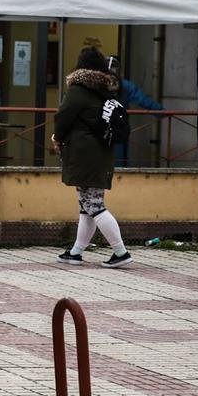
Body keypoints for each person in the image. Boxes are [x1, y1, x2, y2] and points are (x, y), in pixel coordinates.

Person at [52, 47, 133, 268]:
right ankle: (76, 252)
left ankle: (120, 251)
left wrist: (57, 137)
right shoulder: (104, 88)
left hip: (85, 155)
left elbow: (63, 116)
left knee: (94, 205)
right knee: (86, 205)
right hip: (99, 153)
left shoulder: (79, 89)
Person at [106, 55, 163, 167]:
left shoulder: (95, 85)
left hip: (99, 126)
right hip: (120, 126)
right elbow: (143, 100)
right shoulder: (126, 85)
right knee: (119, 161)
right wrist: (161, 112)